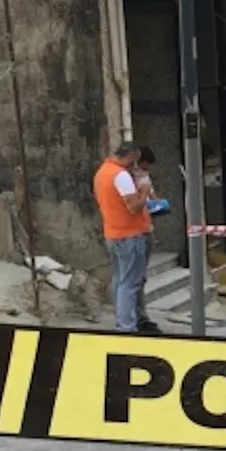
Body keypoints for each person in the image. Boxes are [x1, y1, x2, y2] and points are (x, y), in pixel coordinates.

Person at [93, 141, 152, 333]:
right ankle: (126, 326)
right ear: (129, 156)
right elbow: (134, 207)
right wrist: (144, 190)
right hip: (129, 235)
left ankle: (123, 322)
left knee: (121, 281)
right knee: (129, 284)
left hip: (113, 233)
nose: (135, 165)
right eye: (134, 161)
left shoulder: (102, 172)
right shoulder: (121, 176)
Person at [130, 146, 162, 334]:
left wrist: (157, 203)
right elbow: (135, 204)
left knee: (139, 277)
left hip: (145, 227)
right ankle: (137, 318)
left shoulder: (144, 178)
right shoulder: (128, 178)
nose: (146, 170)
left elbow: (152, 197)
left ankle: (139, 317)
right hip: (134, 232)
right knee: (133, 279)